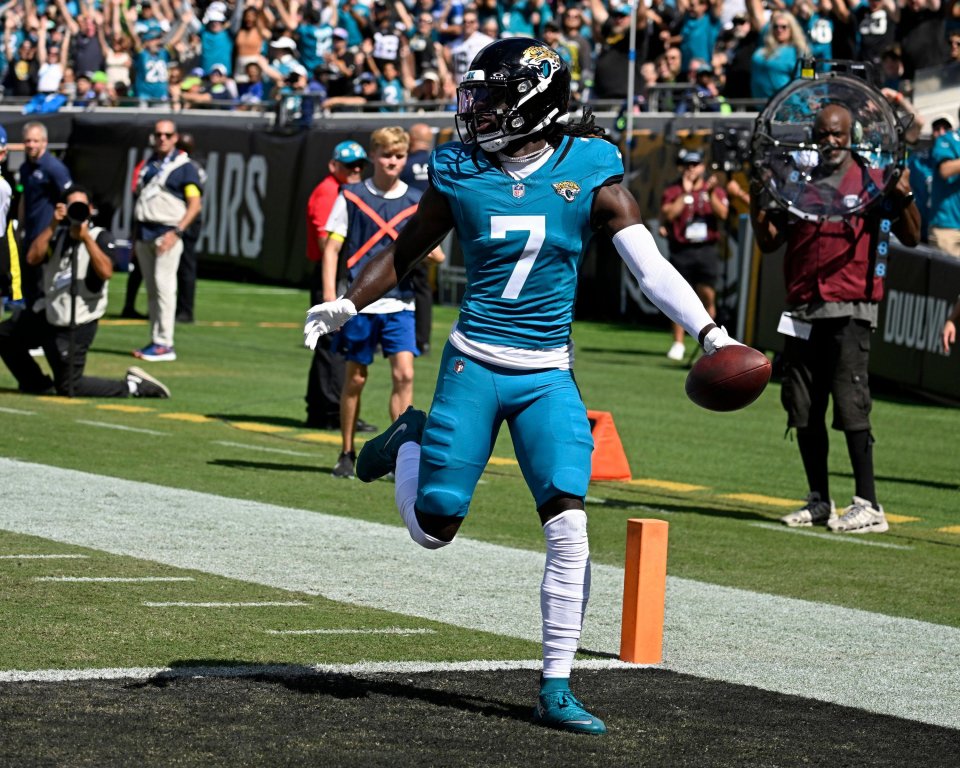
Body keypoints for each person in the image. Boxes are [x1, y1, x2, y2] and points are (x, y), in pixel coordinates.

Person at [304, 38, 740, 734]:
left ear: (535, 101)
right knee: (434, 528)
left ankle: (557, 685)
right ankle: (410, 439)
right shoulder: (460, 169)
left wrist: (712, 334)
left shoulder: (590, 166)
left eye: (493, 100)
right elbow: (408, 247)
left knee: (570, 527)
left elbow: (649, 266)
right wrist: (349, 303)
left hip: (546, 374)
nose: (476, 113)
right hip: (474, 361)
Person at [751, 103, 919, 534]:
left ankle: (868, 503)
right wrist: (758, 198)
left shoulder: (872, 181)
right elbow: (769, 243)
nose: (830, 142)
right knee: (803, 407)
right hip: (803, 308)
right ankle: (819, 500)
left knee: (851, 405)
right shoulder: (799, 186)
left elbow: (913, 236)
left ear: (852, 135)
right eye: (823, 134)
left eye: (838, 134)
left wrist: (905, 196)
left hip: (850, 307)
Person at [320, 126, 443, 479]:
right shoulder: (352, 196)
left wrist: (433, 251)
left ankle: (400, 455)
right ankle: (346, 451)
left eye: (399, 156)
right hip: (360, 303)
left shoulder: (417, 199)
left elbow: (434, 251)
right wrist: (331, 296)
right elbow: (331, 248)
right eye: (387, 155)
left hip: (400, 303)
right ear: (373, 156)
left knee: (405, 374)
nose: (392, 162)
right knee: (355, 378)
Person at [0, 186, 170, 399]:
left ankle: (134, 386)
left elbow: (107, 271)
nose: (77, 211)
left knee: (70, 386)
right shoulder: (56, 234)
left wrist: (86, 239)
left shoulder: (100, 236)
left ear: (91, 209)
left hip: (78, 320)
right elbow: (33, 258)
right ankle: (35, 382)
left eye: (81, 206)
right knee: (4, 335)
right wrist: (53, 224)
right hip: (49, 312)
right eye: (72, 206)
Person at [304, 140, 377, 433]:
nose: (357, 170)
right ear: (334, 166)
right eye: (350, 166)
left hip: (337, 274)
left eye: (360, 165)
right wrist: (331, 289)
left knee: (329, 343)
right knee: (334, 345)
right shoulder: (330, 191)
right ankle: (332, 410)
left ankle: (322, 408)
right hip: (332, 275)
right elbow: (327, 243)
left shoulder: (342, 190)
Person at [131, 120, 203, 362]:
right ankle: (156, 338)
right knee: (152, 289)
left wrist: (177, 231)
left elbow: (195, 204)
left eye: (167, 135)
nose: (162, 138)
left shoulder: (184, 167)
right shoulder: (149, 164)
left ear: (175, 138)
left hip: (167, 232)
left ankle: (165, 342)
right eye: (158, 134)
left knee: (164, 288)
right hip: (144, 231)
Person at [660, 148, 729, 360]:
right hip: (682, 249)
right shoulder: (673, 190)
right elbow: (669, 214)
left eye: (695, 165)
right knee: (679, 296)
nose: (692, 169)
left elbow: (723, 214)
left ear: (702, 167)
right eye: (688, 165)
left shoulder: (713, 189)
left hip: (706, 248)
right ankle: (678, 342)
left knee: (708, 294)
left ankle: (709, 338)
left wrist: (708, 194)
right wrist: (686, 193)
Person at [19, 122, 74, 311]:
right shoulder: (25, 167)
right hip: (30, 234)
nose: (31, 145)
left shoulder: (53, 167)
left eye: (36, 140)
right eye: (28, 140)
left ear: (45, 142)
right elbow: (25, 199)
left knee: (44, 287)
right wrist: (20, 228)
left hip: (47, 235)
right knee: (29, 288)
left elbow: (71, 195)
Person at [398, 123, 438, 354]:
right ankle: (423, 340)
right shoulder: (438, 164)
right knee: (423, 288)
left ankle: (381, 336)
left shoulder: (405, 166)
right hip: (432, 234)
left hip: (405, 233)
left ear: (411, 140)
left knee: (393, 281)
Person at [174, 133, 206, 324]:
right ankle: (180, 309)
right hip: (183, 218)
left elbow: (194, 199)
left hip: (186, 219)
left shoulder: (188, 166)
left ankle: (185, 310)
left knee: (185, 265)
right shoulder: (194, 165)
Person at [929, 114, 960, 257]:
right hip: (948, 230)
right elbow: (945, 170)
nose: (940, 130)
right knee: (948, 279)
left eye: (944, 126)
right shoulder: (946, 139)